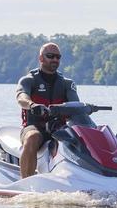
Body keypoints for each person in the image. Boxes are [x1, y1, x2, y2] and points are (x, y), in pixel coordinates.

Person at [15, 42, 79, 178]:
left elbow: (76, 105)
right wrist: (32, 105)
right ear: (41, 58)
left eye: (58, 57)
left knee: (81, 138)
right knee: (33, 137)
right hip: (34, 127)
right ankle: (26, 182)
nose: (55, 60)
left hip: (58, 128)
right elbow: (21, 97)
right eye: (50, 56)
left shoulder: (67, 84)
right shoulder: (28, 80)